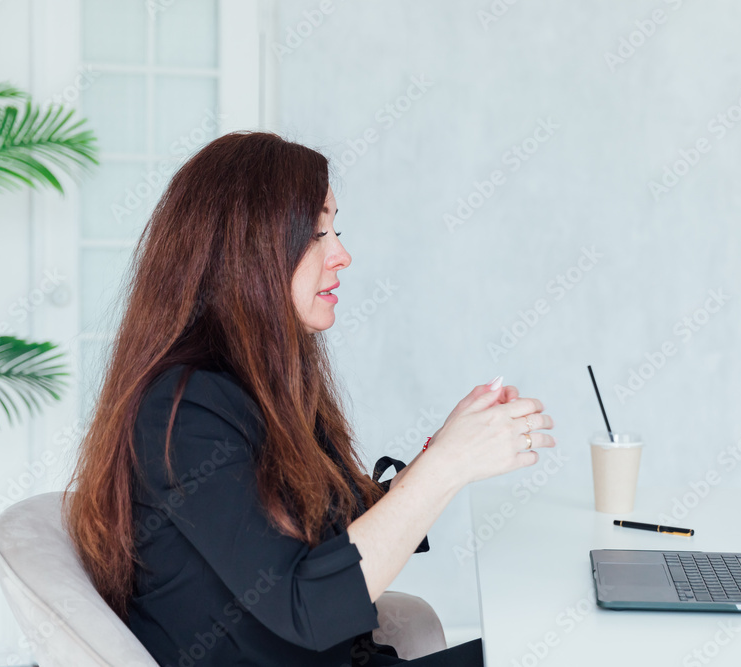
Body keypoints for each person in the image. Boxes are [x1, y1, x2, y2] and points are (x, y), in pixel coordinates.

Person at [62, 131, 555, 666]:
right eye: (316, 233)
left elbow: (327, 534)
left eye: (335, 229)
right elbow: (307, 605)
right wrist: (446, 466)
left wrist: (440, 456)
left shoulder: (261, 386)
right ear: (246, 253)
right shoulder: (182, 414)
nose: (342, 254)